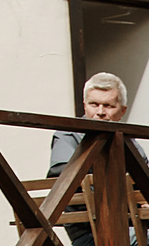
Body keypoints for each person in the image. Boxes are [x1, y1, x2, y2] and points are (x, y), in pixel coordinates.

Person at [49, 73, 138, 246]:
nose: (100, 112)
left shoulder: (129, 141)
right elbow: (61, 174)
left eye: (108, 105)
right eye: (94, 104)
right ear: (84, 106)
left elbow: (143, 182)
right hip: (88, 234)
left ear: (122, 111)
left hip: (131, 228)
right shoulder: (67, 136)